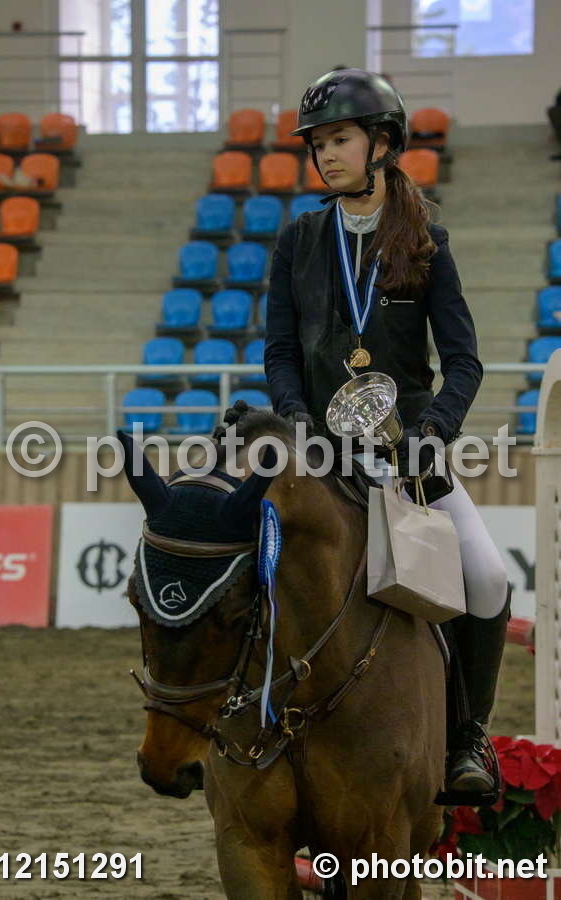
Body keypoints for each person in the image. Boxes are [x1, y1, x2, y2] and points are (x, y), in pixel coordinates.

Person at [264, 69, 510, 794]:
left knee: (488, 577)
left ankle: (466, 740)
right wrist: (296, 417)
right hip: (319, 454)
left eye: (339, 139)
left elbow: (463, 361)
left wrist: (432, 430)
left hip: (408, 459)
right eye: (317, 144)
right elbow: (280, 352)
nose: (325, 155)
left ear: (381, 144)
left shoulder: (426, 242)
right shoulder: (299, 241)